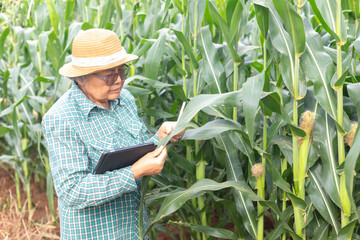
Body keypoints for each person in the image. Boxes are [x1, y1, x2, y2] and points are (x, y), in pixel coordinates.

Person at [42, 28, 184, 239]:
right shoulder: (62, 118)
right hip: (96, 233)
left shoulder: (124, 99)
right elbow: (72, 191)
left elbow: (133, 152)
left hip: (133, 228)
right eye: (109, 76)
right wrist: (134, 173)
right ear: (81, 78)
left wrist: (161, 137)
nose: (118, 80)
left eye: (122, 71)